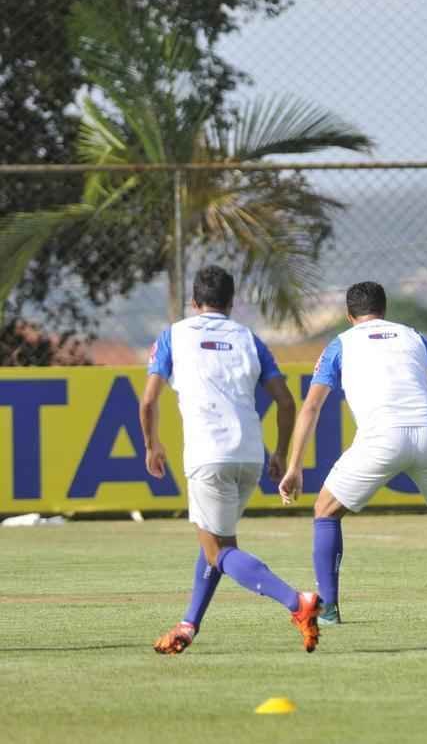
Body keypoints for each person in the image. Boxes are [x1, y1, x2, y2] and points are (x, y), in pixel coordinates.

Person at [278, 281, 427, 623]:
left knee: (326, 512)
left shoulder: (340, 344)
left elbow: (312, 407)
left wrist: (294, 467)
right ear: (384, 310)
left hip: (381, 438)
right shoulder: (414, 336)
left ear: (350, 316)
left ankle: (329, 609)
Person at [141, 265, 319, 655]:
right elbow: (286, 401)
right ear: (231, 302)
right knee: (217, 544)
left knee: (218, 552)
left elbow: (149, 400)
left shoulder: (174, 334)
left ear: (193, 301)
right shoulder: (249, 339)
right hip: (249, 456)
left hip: (208, 455)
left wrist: (153, 446)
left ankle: (297, 601)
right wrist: (279, 452)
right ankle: (188, 624)